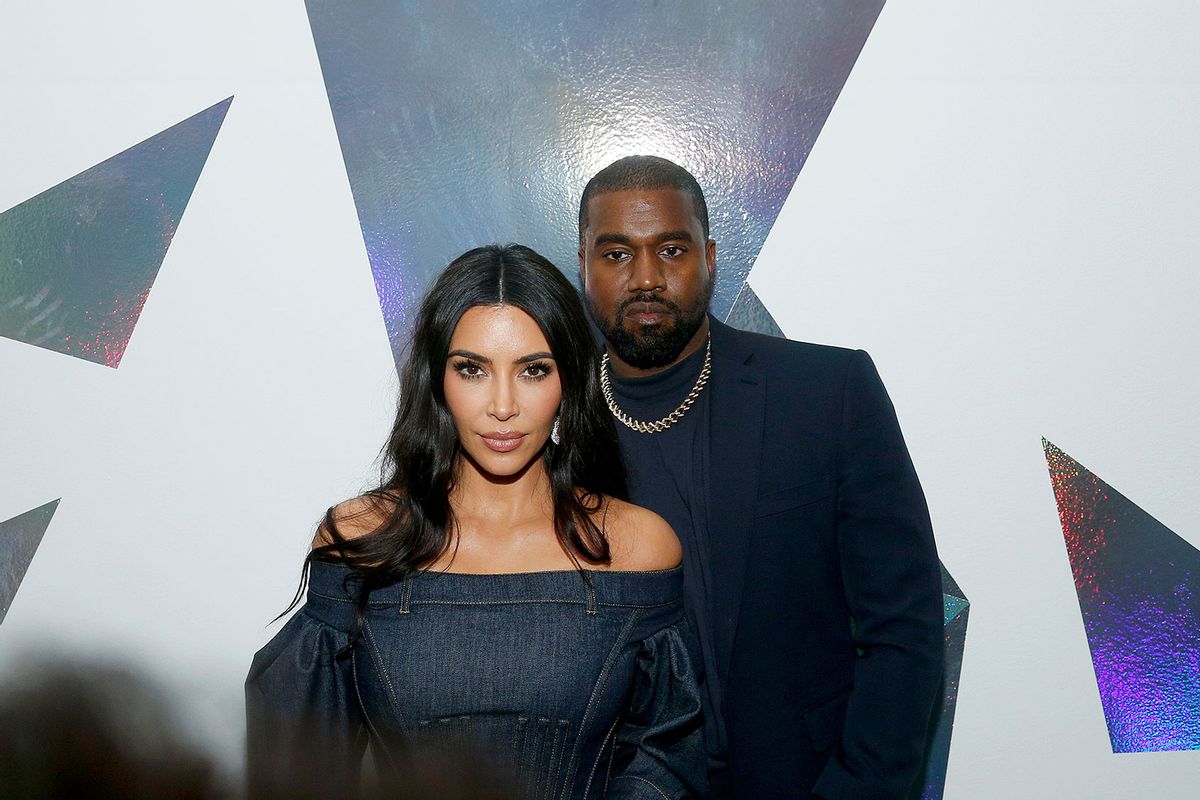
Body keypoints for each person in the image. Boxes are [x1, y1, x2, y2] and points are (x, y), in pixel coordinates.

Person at [246, 244, 707, 800]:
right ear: (437, 380)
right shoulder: (362, 540)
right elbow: (299, 769)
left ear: (570, 381)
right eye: (473, 369)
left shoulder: (637, 546)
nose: (503, 405)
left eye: (534, 370)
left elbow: (667, 763)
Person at [578, 156, 944, 799]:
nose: (645, 278)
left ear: (710, 258)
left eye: (671, 249)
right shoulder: (547, 428)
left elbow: (904, 626)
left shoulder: (827, 393)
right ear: (584, 267)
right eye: (616, 254)